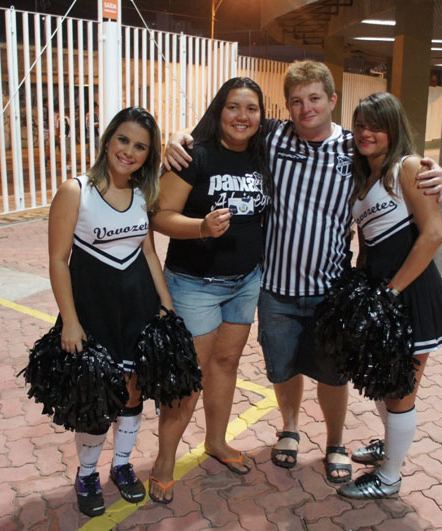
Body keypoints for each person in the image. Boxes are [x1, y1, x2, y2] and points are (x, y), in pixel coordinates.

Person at [164, 60, 442, 486]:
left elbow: (395, 160)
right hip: (274, 287)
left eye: (314, 98)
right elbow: (226, 126)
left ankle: (335, 442)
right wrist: (178, 137)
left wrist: (432, 171)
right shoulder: (273, 136)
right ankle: (290, 429)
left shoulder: (355, 149)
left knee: (334, 375)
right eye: (296, 101)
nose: (305, 108)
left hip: (331, 290)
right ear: (286, 107)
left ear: (332, 100)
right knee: (284, 369)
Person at [47, 107, 173, 517]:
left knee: (133, 390)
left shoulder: (142, 192)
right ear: (107, 140)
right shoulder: (75, 190)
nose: (129, 152)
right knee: (96, 397)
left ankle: (121, 465)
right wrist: (69, 319)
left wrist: (166, 306)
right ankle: (86, 474)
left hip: (137, 308)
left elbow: (150, 253)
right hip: (93, 310)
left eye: (140, 146)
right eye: (123, 140)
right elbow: (57, 259)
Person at [148, 77, 269, 503]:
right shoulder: (194, 156)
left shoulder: (262, 153)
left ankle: (215, 442)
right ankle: (163, 463)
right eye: (233, 107)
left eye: (251, 109)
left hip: (245, 282)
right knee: (188, 379)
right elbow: (160, 215)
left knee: (225, 364)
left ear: (260, 115)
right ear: (219, 111)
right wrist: (200, 227)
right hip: (195, 284)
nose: (242, 116)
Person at [339, 92, 442, 499]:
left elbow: (433, 235)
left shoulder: (407, 168)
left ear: (393, 129)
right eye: (359, 124)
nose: (364, 133)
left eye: (375, 125)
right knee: (385, 380)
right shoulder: (365, 176)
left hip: (408, 295)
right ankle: (390, 447)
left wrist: (391, 293)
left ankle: (390, 478)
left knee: (401, 391)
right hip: (380, 295)